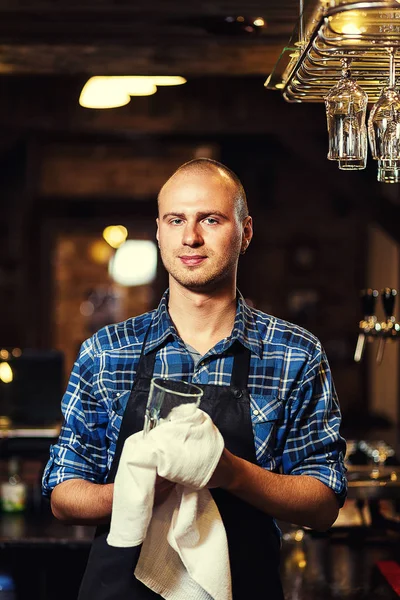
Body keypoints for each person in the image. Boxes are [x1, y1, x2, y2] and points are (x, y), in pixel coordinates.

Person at [42, 158, 347, 600]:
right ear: (160, 232)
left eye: (211, 218)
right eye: (176, 219)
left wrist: (229, 473)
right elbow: (63, 495)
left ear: (245, 232)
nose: (191, 236)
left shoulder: (295, 354)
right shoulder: (106, 352)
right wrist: (141, 488)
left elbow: (322, 504)